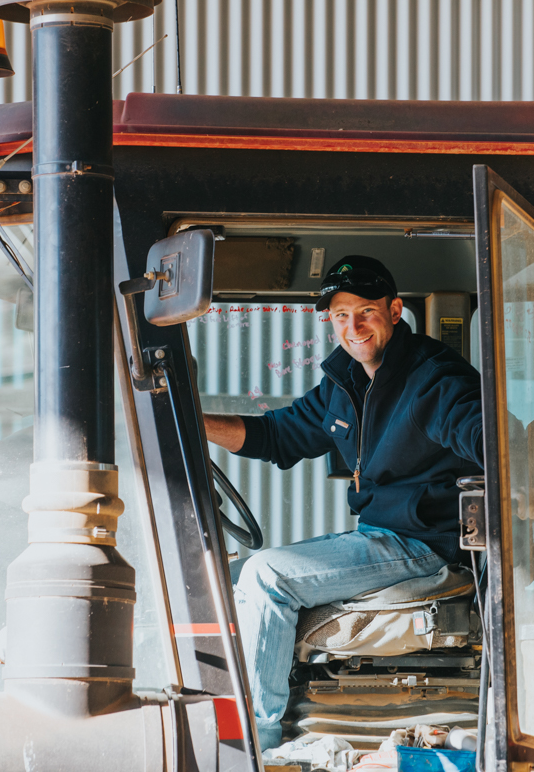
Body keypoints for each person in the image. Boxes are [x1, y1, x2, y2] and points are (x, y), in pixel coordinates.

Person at [202, 255, 483, 749]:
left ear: (395, 311)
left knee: (268, 576)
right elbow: (277, 435)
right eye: (339, 316)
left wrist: (524, 466)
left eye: (365, 312)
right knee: (240, 575)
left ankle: (252, 746)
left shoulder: (433, 379)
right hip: (382, 535)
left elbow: (483, 433)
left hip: (425, 543)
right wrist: (188, 421)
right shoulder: (347, 383)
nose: (352, 327)